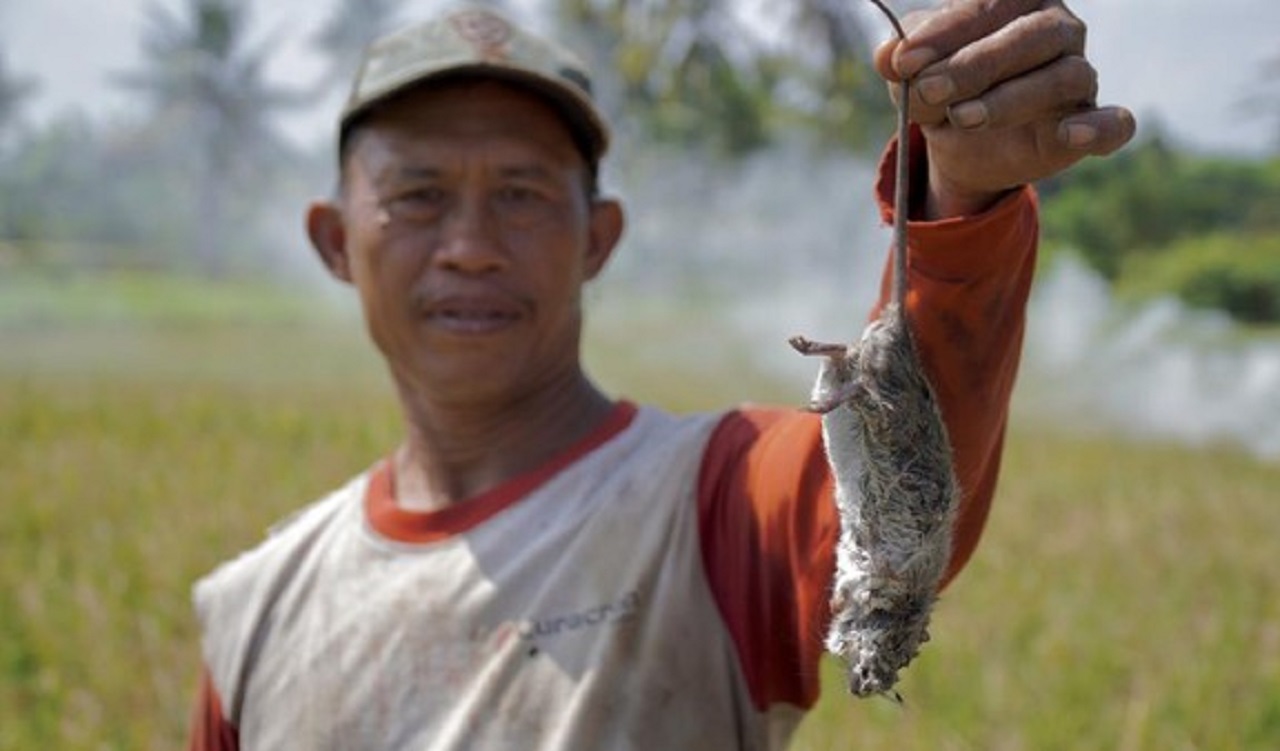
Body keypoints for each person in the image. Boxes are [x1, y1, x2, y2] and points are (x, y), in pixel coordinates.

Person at [186, 2, 1134, 748]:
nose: (469, 248)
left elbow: (890, 518)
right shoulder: (255, 611)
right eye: (417, 197)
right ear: (334, 240)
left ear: (597, 239)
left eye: (520, 195)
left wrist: (963, 191)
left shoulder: (714, 502)